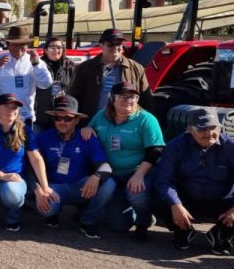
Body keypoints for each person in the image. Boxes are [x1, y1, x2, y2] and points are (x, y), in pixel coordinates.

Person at [85, 82, 164, 239]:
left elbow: (155, 151)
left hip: (136, 173)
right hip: (110, 175)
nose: (128, 100)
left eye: (133, 97)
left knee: (137, 193)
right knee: (118, 226)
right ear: (112, 99)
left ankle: (143, 221)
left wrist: (139, 175)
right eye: (123, 96)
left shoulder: (146, 120)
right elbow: (89, 133)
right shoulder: (100, 116)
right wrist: (85, 129)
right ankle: (128, 209)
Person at [153, 107, 234, 253]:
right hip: (186, 199)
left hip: (221, 200)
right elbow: (164, 180)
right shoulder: (175, 146)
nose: (209, 133)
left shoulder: (231, 146)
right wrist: (175, 204)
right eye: (202, 129)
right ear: (190, 130)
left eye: (213, 128)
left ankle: (220, 235)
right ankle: (183, 231)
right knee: (157, 198)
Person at [33, 96, 115, 238]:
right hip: (53, 188)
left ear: (77, 120)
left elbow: (106, 166)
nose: (62, 122)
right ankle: (54, 213)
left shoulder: (87, 138)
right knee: (47, 210)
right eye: (58, 118)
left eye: (67, 118)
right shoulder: (43, 138)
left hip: (80, 188)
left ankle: (88, 220)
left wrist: (96, 177)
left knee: (109, 183)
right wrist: (38, 190)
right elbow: (29, 167)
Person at [0, 93, 54, 232]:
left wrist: (45, 187)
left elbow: (36, 158)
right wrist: (2, 176)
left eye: (14, 107)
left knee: (12, 194)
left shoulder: (25, 131)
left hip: (15, 178)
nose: (11, 110)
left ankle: (13, 215)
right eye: (6, 106)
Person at [69, 28, 152, 118]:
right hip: (93, 124)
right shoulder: (84, 68)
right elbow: (74, 98)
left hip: (126, 125)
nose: (116, 48)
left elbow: (147, 101)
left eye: (119, 44)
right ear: (101, 45)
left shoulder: (136, 68)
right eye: (111, 44)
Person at [0, 26, 52, 127]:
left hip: (24, 116)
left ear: (27, 45)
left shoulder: (34, 61)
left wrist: (36, 64)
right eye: (14, 44)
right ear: (8, 45)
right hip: (0, 116)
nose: (18, 47)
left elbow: (46, 84)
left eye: (22, 44)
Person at [33, 36, 77, 134]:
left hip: (64, 119)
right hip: (41, 117)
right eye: (52, 47)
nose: (56, 50)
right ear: (46, 50)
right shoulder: (38, 66)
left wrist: (66, 93)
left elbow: (76, 90)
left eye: (59, 47)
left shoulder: (71, 67)